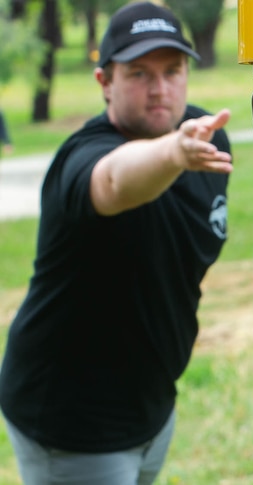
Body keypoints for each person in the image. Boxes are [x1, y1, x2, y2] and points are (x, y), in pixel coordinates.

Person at [0, 2, 232, 484]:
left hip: (151, 405)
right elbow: (114, 183)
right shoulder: (83, 157)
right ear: (104, 81)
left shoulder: (206, 140)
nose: (159, 89)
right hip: (74, 420)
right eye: (139, 73)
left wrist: (183, 148)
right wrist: (174, 152)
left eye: (172, 70)